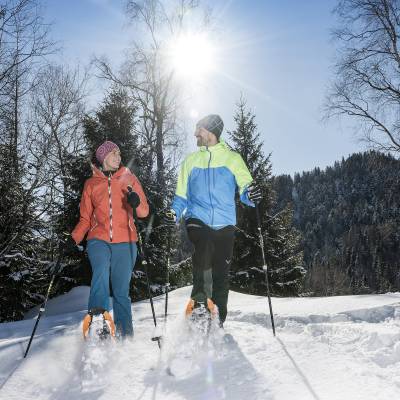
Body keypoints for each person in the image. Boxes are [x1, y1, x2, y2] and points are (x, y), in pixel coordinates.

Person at [165, 115, 262, 326]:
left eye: (198, 129)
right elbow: (181, 196)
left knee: (221, 271)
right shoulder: (190, 161)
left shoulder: (232, 159)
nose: (195, 134)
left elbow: (246, 187)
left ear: (209, 131)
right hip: (196, 218)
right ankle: (200, 303)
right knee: (205, 246)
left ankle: (218, 319)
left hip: (225, 222)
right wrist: (174, 212)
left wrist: (251, 195)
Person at [71, 140, 149, 338]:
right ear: (103, 157)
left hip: (127, 240)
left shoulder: (129, 178)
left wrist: (136, 202)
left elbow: (143, 212)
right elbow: (85, 219)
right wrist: (73, 239)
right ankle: (99, 321)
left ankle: (125, 337)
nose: (119, 157)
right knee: (100, 271)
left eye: (120, 154)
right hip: (99, 239)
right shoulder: (91, 184)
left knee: (122, 291)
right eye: (114, 153)